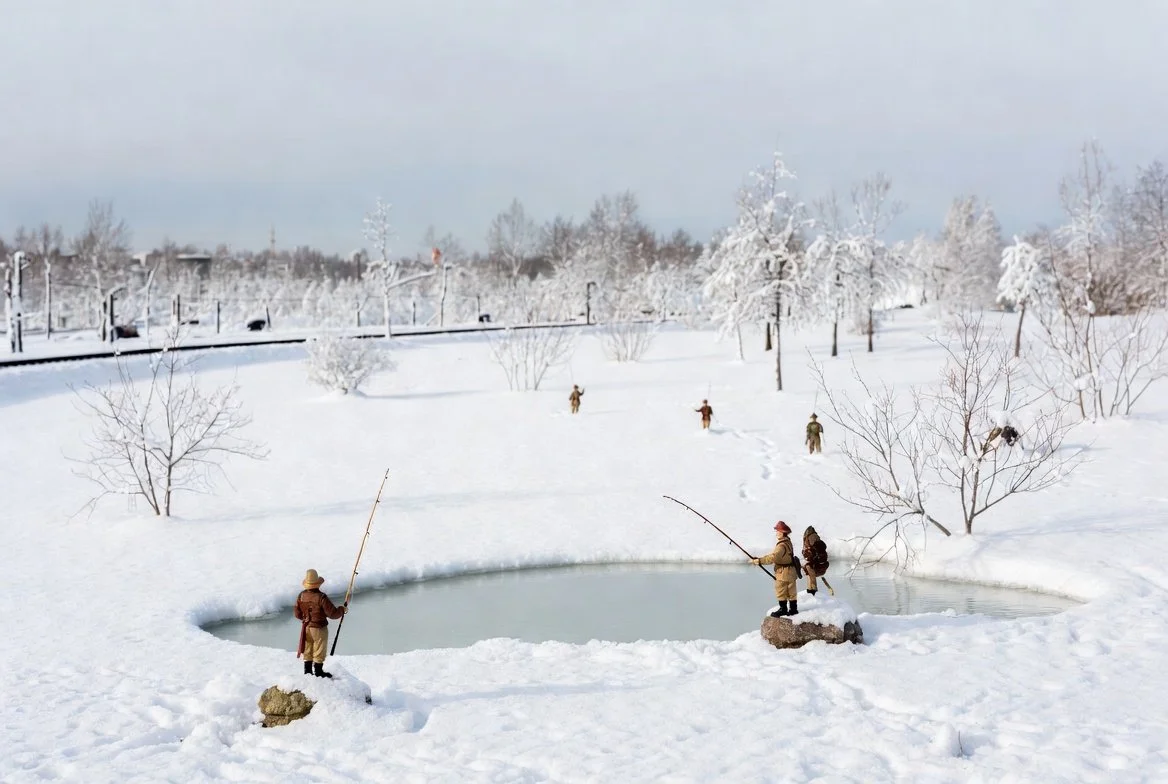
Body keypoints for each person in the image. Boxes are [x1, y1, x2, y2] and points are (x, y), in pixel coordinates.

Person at [294, 568, 346, 678]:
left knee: (308, 649)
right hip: (319, 628)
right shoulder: (322, 597)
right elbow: (333, 614)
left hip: (306, 627)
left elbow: (297, 614)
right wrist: (342, 610)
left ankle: (308, 672)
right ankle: (318, 672)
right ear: (317, 584)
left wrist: (305, 619)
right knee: (319, 649)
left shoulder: (301, 595)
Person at [751, 521, 801, 616]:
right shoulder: (788, 542)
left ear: (782, 532)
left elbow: (773, 557)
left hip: (783, 573)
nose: (776, 533)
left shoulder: (781, 545)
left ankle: (783, 609)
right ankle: (793, 609)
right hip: (791, 571)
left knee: (781, 590)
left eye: (778, 531)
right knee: (791, 591)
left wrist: (759, 561)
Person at [801, 525, 830, 596]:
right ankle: (810, 589)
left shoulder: (811, 537)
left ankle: (813, 590)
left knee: (808, 568)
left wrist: (808, 554)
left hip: (818, 564)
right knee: (808, 569)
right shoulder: (815, 538)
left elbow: (813, 552)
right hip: (821, 564)